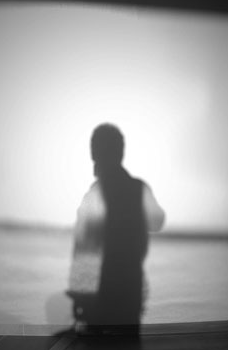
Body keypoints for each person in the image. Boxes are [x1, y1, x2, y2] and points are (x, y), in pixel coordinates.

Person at [67, 123, 165, 331]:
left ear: (95, 155)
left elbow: (83, 247)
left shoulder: (95, 194)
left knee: (98, 348)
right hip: (130, 289)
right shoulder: (138, 188)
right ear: (121, 153)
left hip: (100, 294)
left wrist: (79, 295)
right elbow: (157, 222)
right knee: (128, 345)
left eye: (94, 151)